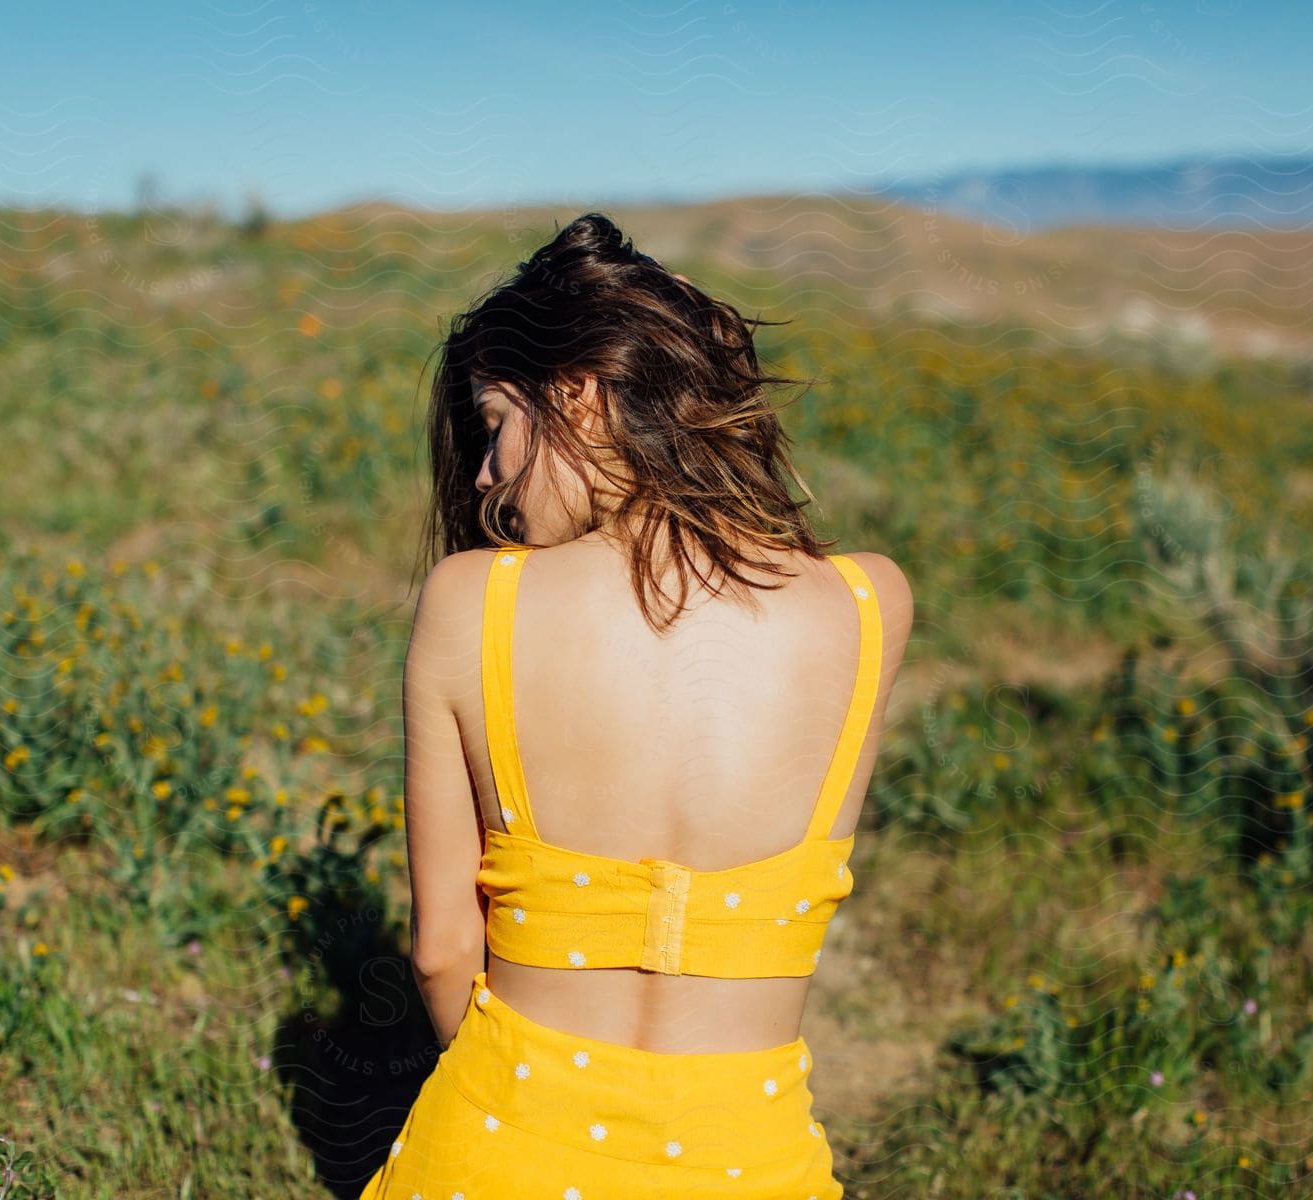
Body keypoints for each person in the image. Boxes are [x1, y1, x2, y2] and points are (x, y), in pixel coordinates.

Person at [359, 212, 913, 1199]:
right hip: (745, 1164)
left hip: (498, 1146)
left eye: (494, 424)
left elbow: (444, 952)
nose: (485, 476)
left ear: (575, 392)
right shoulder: (869, 607)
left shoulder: (476, 599)